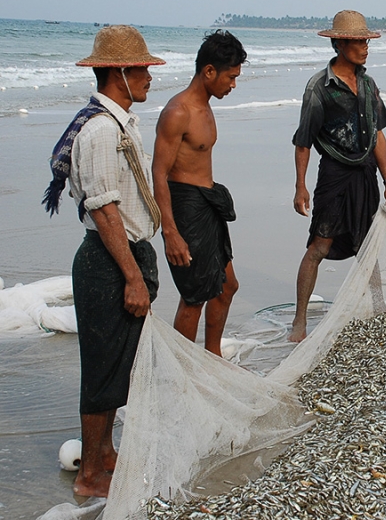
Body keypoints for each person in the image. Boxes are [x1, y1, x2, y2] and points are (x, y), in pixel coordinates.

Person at [42, 25, 164, 496]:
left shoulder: (120, 123)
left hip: (123, 257)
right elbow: (104, 209)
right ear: (118, 73)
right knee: (100, 371)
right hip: (107, 262)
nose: (150, 77)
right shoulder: (98, 131)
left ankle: (106, 453)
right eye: (142, 70)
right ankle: (90, 474)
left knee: (118, 366)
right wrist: (132, 277)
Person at [290, 10, 386, 343]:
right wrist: (300, 186)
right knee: (319, 246)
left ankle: (379, 311)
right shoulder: (319, 88)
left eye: (366, 41)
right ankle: (299, 321)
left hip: (366, 175)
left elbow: (378, 135)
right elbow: (303, 142)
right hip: (334, 175)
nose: (365, 47)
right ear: (338, 44)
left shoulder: (368, 84)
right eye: (357, 41)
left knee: (368, 247)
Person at [152, 30, 246, 356]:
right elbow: (158, 173)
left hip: (207, 204)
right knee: (194, 297)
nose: (233, 84)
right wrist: (170, 232)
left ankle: (212, 358)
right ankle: (184, 374)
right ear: (209, 71)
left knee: (226, 286)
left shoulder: (206, 106)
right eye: (230, 77)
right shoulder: (178, 112)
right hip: (185, 209)